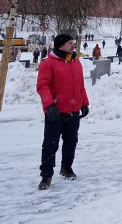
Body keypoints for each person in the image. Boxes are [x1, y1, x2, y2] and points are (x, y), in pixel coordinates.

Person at [36, 33, 90, 190]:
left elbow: (81, 86)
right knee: (50, 144)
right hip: (56, 112)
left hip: (73, 112)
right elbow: (43, 86)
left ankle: (66, 168)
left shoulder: (76, 63)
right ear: (60, 45)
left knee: (71, 142)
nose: (73, 45)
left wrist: (84, 103)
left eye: (73, 43)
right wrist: (49, 105)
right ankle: (46, 175)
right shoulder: (48, 64)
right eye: (69, 43)